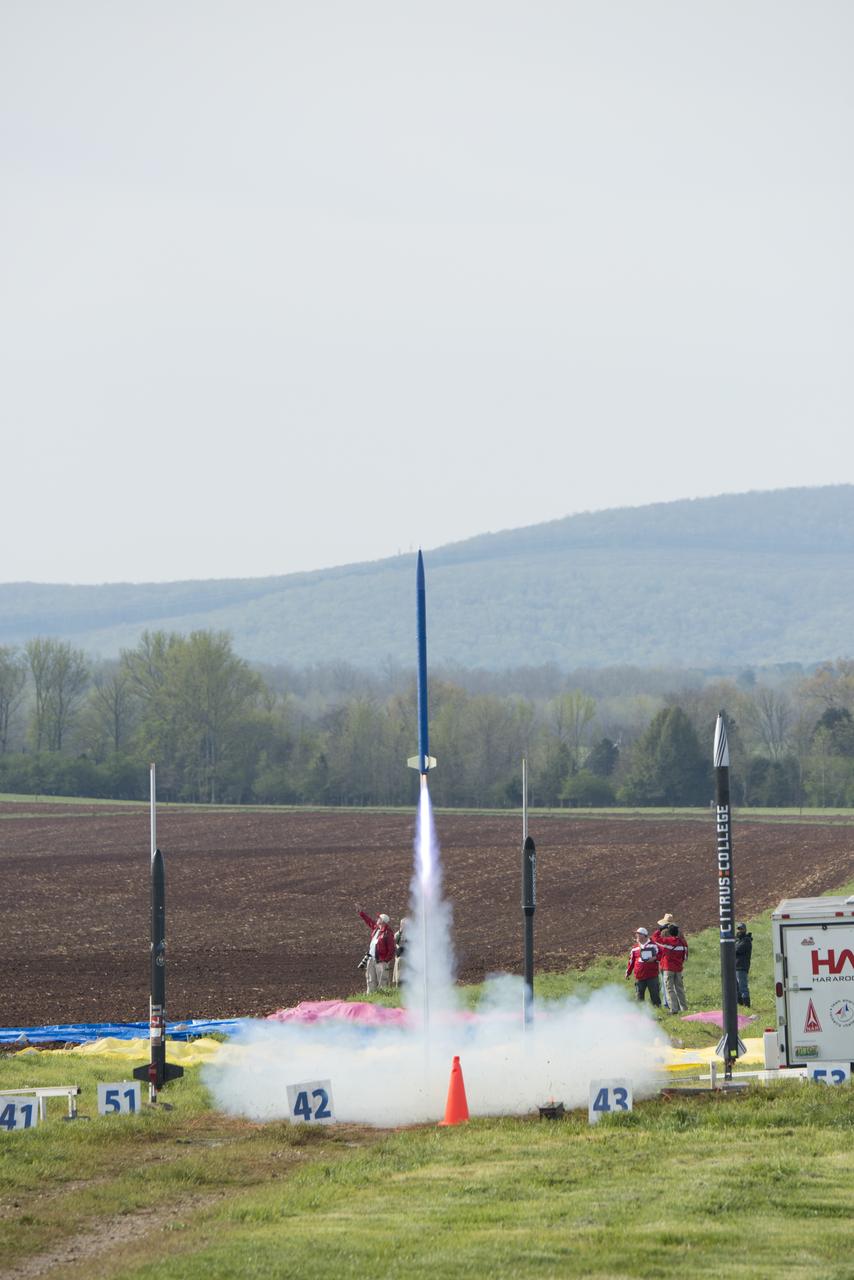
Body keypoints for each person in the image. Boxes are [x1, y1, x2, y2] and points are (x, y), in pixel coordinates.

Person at [355, 905, 396, 993]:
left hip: (381, 961)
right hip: (371, 959)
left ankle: (383, 997)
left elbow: (391, 949)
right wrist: (361, 913)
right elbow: (369, 921)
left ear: (383, 921)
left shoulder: (388, 933)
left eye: (379, 918)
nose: (377, 919)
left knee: (382, 982)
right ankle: (371, 996)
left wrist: (385, 960)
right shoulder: (376, 928)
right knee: (370, 979)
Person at [656, 924, 689, 1013]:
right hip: (678, 969)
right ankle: (684, 1008)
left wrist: (660, 929)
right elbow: (685, 957)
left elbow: (655, 939)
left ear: (669, 932)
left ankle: (674, 1009)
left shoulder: (668, 941)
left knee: (669, 988)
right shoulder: (683, 943)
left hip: (668, 968)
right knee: (679, 988)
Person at [626, 927, 661, 1004]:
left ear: (643, 935)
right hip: (639, 976)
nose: (636, 936)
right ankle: (640, 1012)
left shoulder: (653, 945)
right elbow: (631, 961)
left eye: (638, 934)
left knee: (655, 996)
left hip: (652, 975)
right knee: (639, 997)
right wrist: (628, 973)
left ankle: (658, 1011)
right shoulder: (635, 948)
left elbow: (661, 955)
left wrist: (654, 958)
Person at [653, 914, 676, 1006]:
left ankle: (668, 1003)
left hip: (665, 964)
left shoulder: (664, 936)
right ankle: (675, 1003)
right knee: (675, 985)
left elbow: (655, 940)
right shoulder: (676, 935)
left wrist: (658, 931)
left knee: (666, 985)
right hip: (676, 964)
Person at [735, 922, 752, 1007]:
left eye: (741, 929)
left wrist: (731, 947)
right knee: (736, 988)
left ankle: (747, 1005)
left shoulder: (746, 940)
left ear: (745, 930)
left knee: (743, 987)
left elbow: (737, 950)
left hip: (742, 967)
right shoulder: (737, 940)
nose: (739, 930)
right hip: (735, 966)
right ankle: (740, 1004)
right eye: (738, 929)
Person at [392, 916, 409, 987]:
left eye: (404, 924)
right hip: (399, 956)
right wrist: (398, 947)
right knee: (398, 971)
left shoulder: (411, 933)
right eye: (401, 924)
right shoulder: (398, 934)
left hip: (408, 957)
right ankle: (397, 985)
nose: (402, 925)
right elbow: (394, 942)